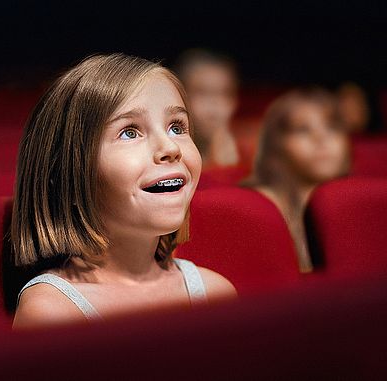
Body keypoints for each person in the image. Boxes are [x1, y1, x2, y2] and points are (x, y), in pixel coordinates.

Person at [12, 54, 236, 328]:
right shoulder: (53, 312)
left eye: (176, 127)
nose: (170, 148)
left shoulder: (215, 294)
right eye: (130, 132)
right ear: (70, 172)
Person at [241, 88, 350, 273]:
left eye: (332, 127)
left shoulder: (355, 201)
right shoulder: (256, 208)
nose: (321, 138)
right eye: (302, 129)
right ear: (276, 144)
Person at [173, 48, 240, 169]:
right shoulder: (169, 151)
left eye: (225, 93)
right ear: (179, 95)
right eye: (202, 93)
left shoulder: (252, 151)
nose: (214, 108)